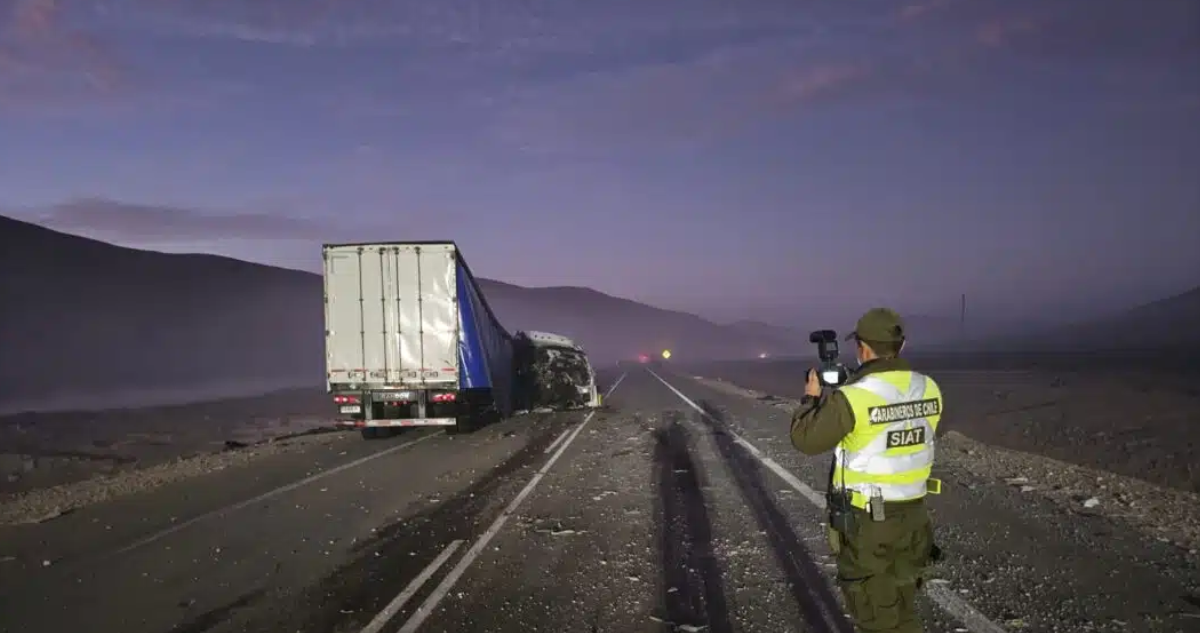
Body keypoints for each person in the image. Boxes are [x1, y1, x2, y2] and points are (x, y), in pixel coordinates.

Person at [790, 308, 944, 633]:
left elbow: (805, 439)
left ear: (862, 348)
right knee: (903, 608)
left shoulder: (854, 397)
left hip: (871, 524)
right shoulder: (928, 387)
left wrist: (811, 398)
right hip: (915, 517)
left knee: (877, 617)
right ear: (900, 346)